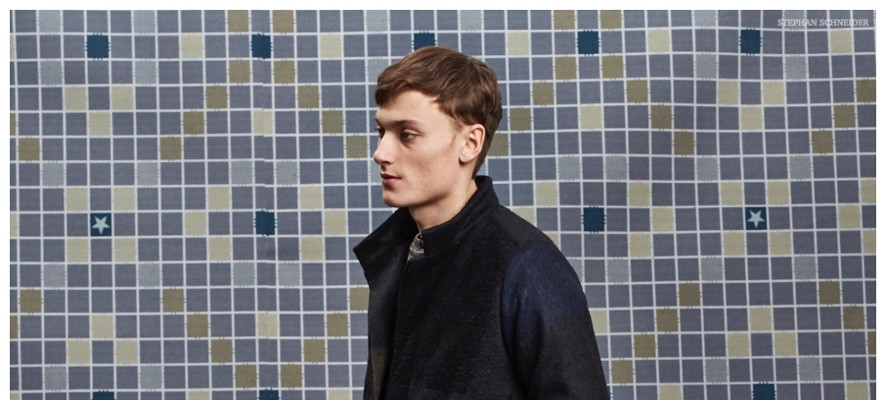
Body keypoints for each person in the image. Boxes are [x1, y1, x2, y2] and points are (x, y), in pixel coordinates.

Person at [353, 46, 609, 399]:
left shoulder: (528, 267)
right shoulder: (401, 256)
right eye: (381, 131)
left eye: (407, 134)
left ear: (470, 143)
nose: (381, 153)